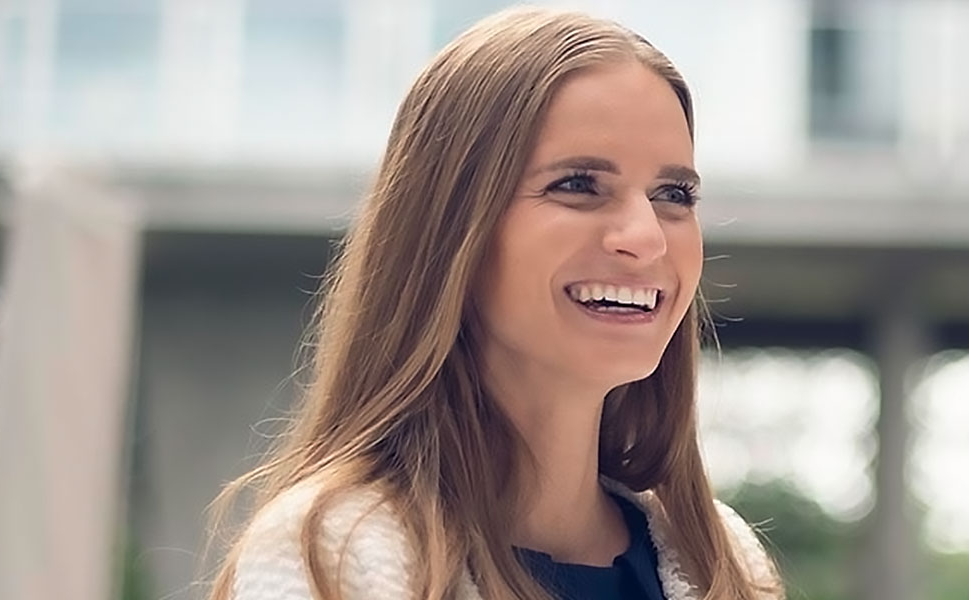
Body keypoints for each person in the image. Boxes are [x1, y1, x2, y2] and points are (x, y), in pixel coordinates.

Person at [205, 7, 780, 599]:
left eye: (673, 194)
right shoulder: (333, 553)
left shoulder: (724, 561)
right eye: (578, 184)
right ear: (450, 228)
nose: (646, 237)